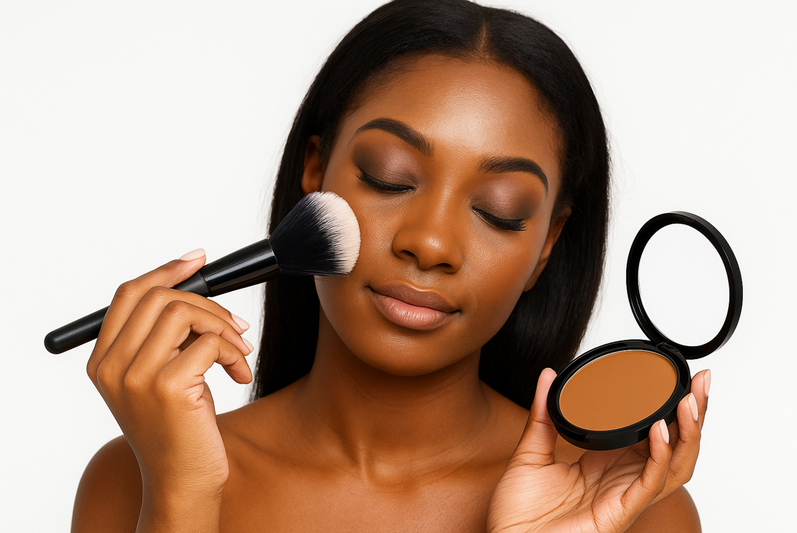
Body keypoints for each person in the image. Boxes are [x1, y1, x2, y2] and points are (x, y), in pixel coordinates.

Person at [71, 1, 708, 531]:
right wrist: (181, 498)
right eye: (389, 177)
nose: (430, 243)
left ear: (545, 245)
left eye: (499, 211)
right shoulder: (136, 479)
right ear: (315, 176)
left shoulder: (631, 510)